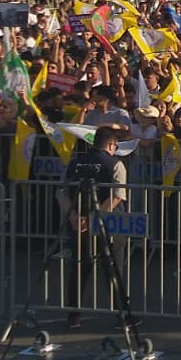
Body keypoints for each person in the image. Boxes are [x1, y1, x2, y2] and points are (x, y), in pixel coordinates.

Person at [56, 125, 134, 330]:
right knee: (114, 269)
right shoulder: (115, 164)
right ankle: (122, 317)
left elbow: (60, 192)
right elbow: (117, 196)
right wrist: (96, 217)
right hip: (109, 224)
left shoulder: (74, 163)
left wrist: (73, 216)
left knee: (79, 268)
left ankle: (73, 316)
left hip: (78, 223)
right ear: (111, 144)